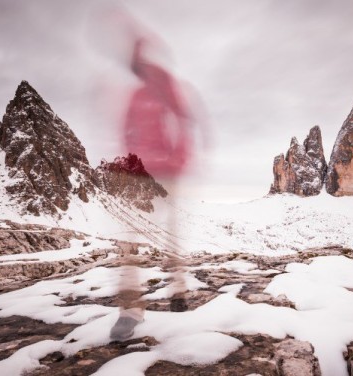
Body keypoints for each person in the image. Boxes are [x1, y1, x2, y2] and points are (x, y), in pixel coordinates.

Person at [110, 37, 195, 341]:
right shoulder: (135, 96)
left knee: (171, 233)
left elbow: (184, 123)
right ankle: (130, 311)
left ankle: (178, 290)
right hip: (140, 174)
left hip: (168, 173)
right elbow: (125, 131)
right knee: (130, 238)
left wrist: (178, 158)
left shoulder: (168, 89)